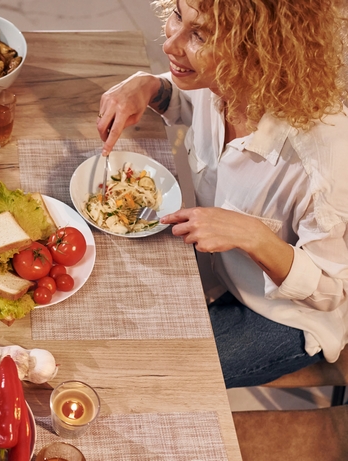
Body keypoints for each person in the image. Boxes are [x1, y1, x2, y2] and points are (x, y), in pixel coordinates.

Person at [97, 0, 348, 388]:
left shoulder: (324, 157)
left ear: (257, 48)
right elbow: (184, 104)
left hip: (282, 315)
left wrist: (254, 236)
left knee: (149, 376)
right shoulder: (220, 79)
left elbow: (331, 292)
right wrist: (151, 86)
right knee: (106, 323)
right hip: (213, 271)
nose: (170, 45)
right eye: (178, 15)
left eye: (200, 35)